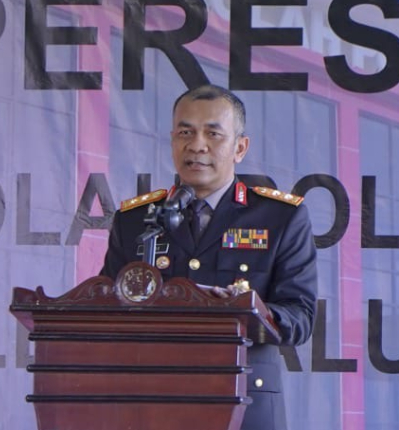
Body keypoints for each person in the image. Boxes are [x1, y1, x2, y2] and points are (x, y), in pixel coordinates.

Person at [100, 84, 318, 430]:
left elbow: (301, 317)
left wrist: (250, 309)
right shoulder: (136, 219)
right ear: (172, 140)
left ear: (239, 148)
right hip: (152, 402)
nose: (196, 145)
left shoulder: (280, 217)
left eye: (213, 134)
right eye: (185, 132)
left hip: (246, 402)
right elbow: (104, 307)